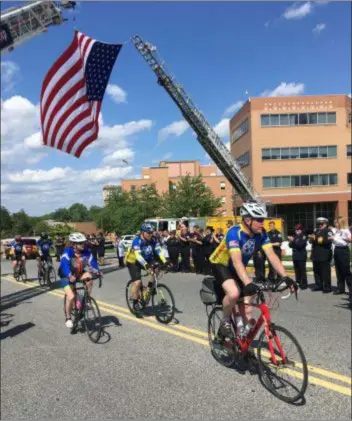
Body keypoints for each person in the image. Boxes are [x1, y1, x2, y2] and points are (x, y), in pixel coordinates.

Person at [209, 200, 295, 340]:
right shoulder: (234, 233)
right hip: (221, 264)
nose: (263, 223)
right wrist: (248, 282)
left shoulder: (261, 234)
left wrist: (286, 277)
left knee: (248, 307)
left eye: (263, 220)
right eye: (259, 220)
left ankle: (245, 345)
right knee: (234, 293)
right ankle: (225, 321)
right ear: (248, 220)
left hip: (237, 267)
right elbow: (236, 261)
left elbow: (272, 255)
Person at [125, 223, 168, 316]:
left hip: (147, 258)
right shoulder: (137, 240)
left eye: (151, 232)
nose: (150, 234)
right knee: (137, 282)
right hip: (133, 261)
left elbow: (159, 251)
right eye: (148, 232)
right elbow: (138, 256)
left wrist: (165, 261)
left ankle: (149, 289)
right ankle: (135, 303)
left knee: (156, 269)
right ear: (143, 233)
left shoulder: (153, 239)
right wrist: (146, 266)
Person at [59, 232, 100, 328]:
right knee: (71, 297)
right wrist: (69, 275)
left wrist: (97, 271)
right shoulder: (68, 252)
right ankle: (68, 317)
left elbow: (92, 261)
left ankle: (85, 300)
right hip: (65, 275)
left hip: (78, 273)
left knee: (89, 278)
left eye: (83, 242)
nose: (83, 244)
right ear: (74, 244)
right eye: (80, 243)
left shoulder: (86, 251)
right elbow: (64, 265)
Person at [309, 217, 333, 293]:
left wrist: (315, 238)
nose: (320, 225)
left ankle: (327, 287)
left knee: (325, 272)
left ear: (326, 224)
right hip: (316, 254)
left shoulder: (328, 231)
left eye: (321, 224)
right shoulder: (316, 231)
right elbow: (311, 241)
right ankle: (319, 285)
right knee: (317, 272)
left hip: (324, 254)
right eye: (319, 224)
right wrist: (311, 238)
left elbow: (327, 241)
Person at [331, 217, 352, 295]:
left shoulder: (346, 231)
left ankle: (351, 289)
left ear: (340, 223)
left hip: (343, 250)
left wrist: (335, 239)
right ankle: (341, 289)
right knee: (338, 270)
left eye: (336, 222)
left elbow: (346, 242)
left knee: (346, 270)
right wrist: (333, 240)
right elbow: (336, 242)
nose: (335, 224)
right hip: (337, 250)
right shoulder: (337, 232)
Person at [288, 224, 308, 289]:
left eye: (298, 229)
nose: (297, 230)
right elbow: (290, 245)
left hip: (301, 255)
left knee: (302, 270)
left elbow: (300, 245)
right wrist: (291, 241)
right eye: (296, 229)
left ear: (301, 230)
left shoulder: (304, 236)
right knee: (296, 270)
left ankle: (304, 284)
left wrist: (293, 240)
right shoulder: (295, 236)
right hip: (295, 255)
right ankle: (298, 282)